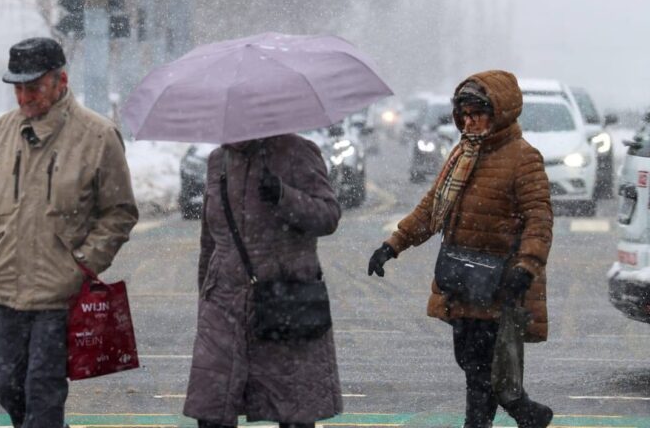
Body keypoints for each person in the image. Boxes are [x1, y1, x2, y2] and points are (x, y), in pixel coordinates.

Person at [0, 37, 138, 428]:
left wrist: (80, 266)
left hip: (58, 295)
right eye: (18, 88)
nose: (24, 97)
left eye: (34, 87)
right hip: (6, 288)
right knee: (9, 387)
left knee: (44, 396)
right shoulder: (0, 133)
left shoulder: (97, 135)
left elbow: (120, 212)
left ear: (60, 80)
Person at [367, 70, 554, 428]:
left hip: (499, 282)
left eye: (477, 113)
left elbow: (539, 219)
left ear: (499, 112)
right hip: (461, 280)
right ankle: (526, 412)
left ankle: (481, 423)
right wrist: (392, 245)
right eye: (464, 115)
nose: (469, 122)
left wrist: (526, 267)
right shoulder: (462, 153)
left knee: (480, 371)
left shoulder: (523, 158)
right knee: (470, 361)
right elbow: (431, 209)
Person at [183, 135, 343, 428]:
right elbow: (210, 239)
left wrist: (284, 195)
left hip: (284, 299)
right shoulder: (218, 161)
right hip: (223, 301)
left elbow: (328, 216)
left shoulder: (297, 152)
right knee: (212, 411)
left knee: (293, 411)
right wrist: (205, 291)